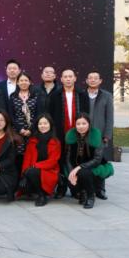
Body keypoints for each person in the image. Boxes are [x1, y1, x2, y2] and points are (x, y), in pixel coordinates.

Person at [48, 68, 89, 198]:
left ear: (75, 78)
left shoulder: (82, 94)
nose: (68, 79)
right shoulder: (55, 95)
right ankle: (61, 187)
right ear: (61, 79)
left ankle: (76, 188)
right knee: (60, 161)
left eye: (70, 76)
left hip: (78, 134)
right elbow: (50, 115)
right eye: (65, 77)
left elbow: (87, 115)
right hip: (60, 134)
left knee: (76, 160)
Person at [65, 113, 108, 209]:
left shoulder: (95, 135)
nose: (81, 126)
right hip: (76, 166)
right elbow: (67, 158)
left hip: (92, 165)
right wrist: (72, 172)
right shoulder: (71, 135)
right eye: (78, 124)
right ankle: (82, 192)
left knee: (84, 173)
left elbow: (97, 159)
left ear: (89, 124)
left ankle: (90, 196)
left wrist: (79, 167)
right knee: (70, 179)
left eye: (84, 123)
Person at [20, 114, 61, 207]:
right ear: (37, 126)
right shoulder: (32, 140)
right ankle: (40, 191)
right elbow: (27, 159)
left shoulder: (55, 142)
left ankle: (42, 195)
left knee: (32, 172)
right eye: (40, 124)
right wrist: (24, 174)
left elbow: (53, 162)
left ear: (50, 124)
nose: (43, 126)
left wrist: (35, 166)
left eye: (45, 123)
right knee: (25, 187)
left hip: (49, 171)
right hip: (33, 171)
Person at [85, 70, 114, 200]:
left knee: (99, 162)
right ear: (86, 80)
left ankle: (100, 189)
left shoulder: (106, 96)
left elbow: (110, 117)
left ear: (100, 81)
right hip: (84, 134)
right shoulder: (82, 95)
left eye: (95, 78)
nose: (93, 80)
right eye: (90, 78)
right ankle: (86, 189)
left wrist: (107, 135)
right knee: (86, 161)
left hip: (100, 135)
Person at [9, 72, 44, 169]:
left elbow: (39, 114)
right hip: (17, 131)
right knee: (18, 155)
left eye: (26, 80)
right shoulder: (13, 96)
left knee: (32, 154)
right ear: (17, 83)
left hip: (33, 131)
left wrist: (30, 130)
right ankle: (19, 176)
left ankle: (29, 175)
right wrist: (20, 129)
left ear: (30, 82)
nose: (23, 82)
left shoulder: (36, 96)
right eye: (21, 80)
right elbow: (11, 115)